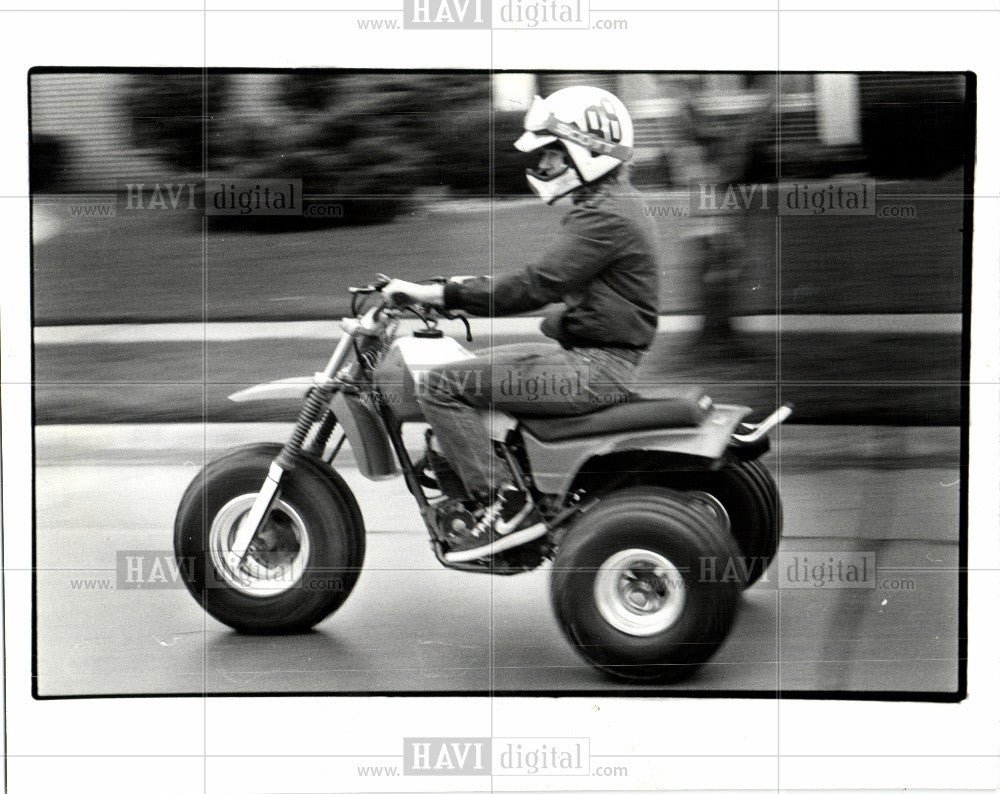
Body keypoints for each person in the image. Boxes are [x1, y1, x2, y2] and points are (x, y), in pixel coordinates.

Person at [383, 85, 660, 562]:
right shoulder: (611, 206)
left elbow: (533, 285)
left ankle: (501, 501)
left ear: (587, 152)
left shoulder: (605, 218)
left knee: (440, 385)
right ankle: (454, 458)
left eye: (551, 157)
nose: (541, 169)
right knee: (467, 368)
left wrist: (442, 294)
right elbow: (564, 289)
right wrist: (451, 291)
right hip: (592, 360)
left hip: (593, 371)